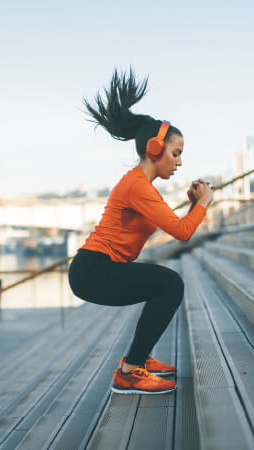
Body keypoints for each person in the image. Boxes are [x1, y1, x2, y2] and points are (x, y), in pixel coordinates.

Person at [68, 68, 214, 395]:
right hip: (93, 270)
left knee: (163, 285)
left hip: (97, 268)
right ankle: (130, 372)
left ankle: (137, 361)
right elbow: (182, 232)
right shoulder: (138, 186)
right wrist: (204, 203)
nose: (178, 163)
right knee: (169, 284)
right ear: (154, 150)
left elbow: (176, 224)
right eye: (175, 154)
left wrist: (193, 205)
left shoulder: (142, 187)